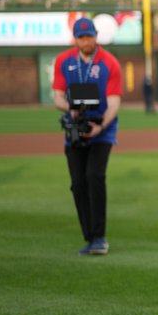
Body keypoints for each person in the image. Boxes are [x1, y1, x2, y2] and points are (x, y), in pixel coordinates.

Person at [52, 17, 123, 256]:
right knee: (78, 184)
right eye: (81, 37)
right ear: (75, 39)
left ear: (96, 35)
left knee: (94, 176)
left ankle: (100, 237)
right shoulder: (64, 61)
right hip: (75, 128)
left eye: (89, 36)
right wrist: (70, 108)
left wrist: (101, 127)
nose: (86, 41)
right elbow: (57, 96)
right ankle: (90, 236)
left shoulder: (109, 63)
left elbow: (114, 103)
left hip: (102, 129)